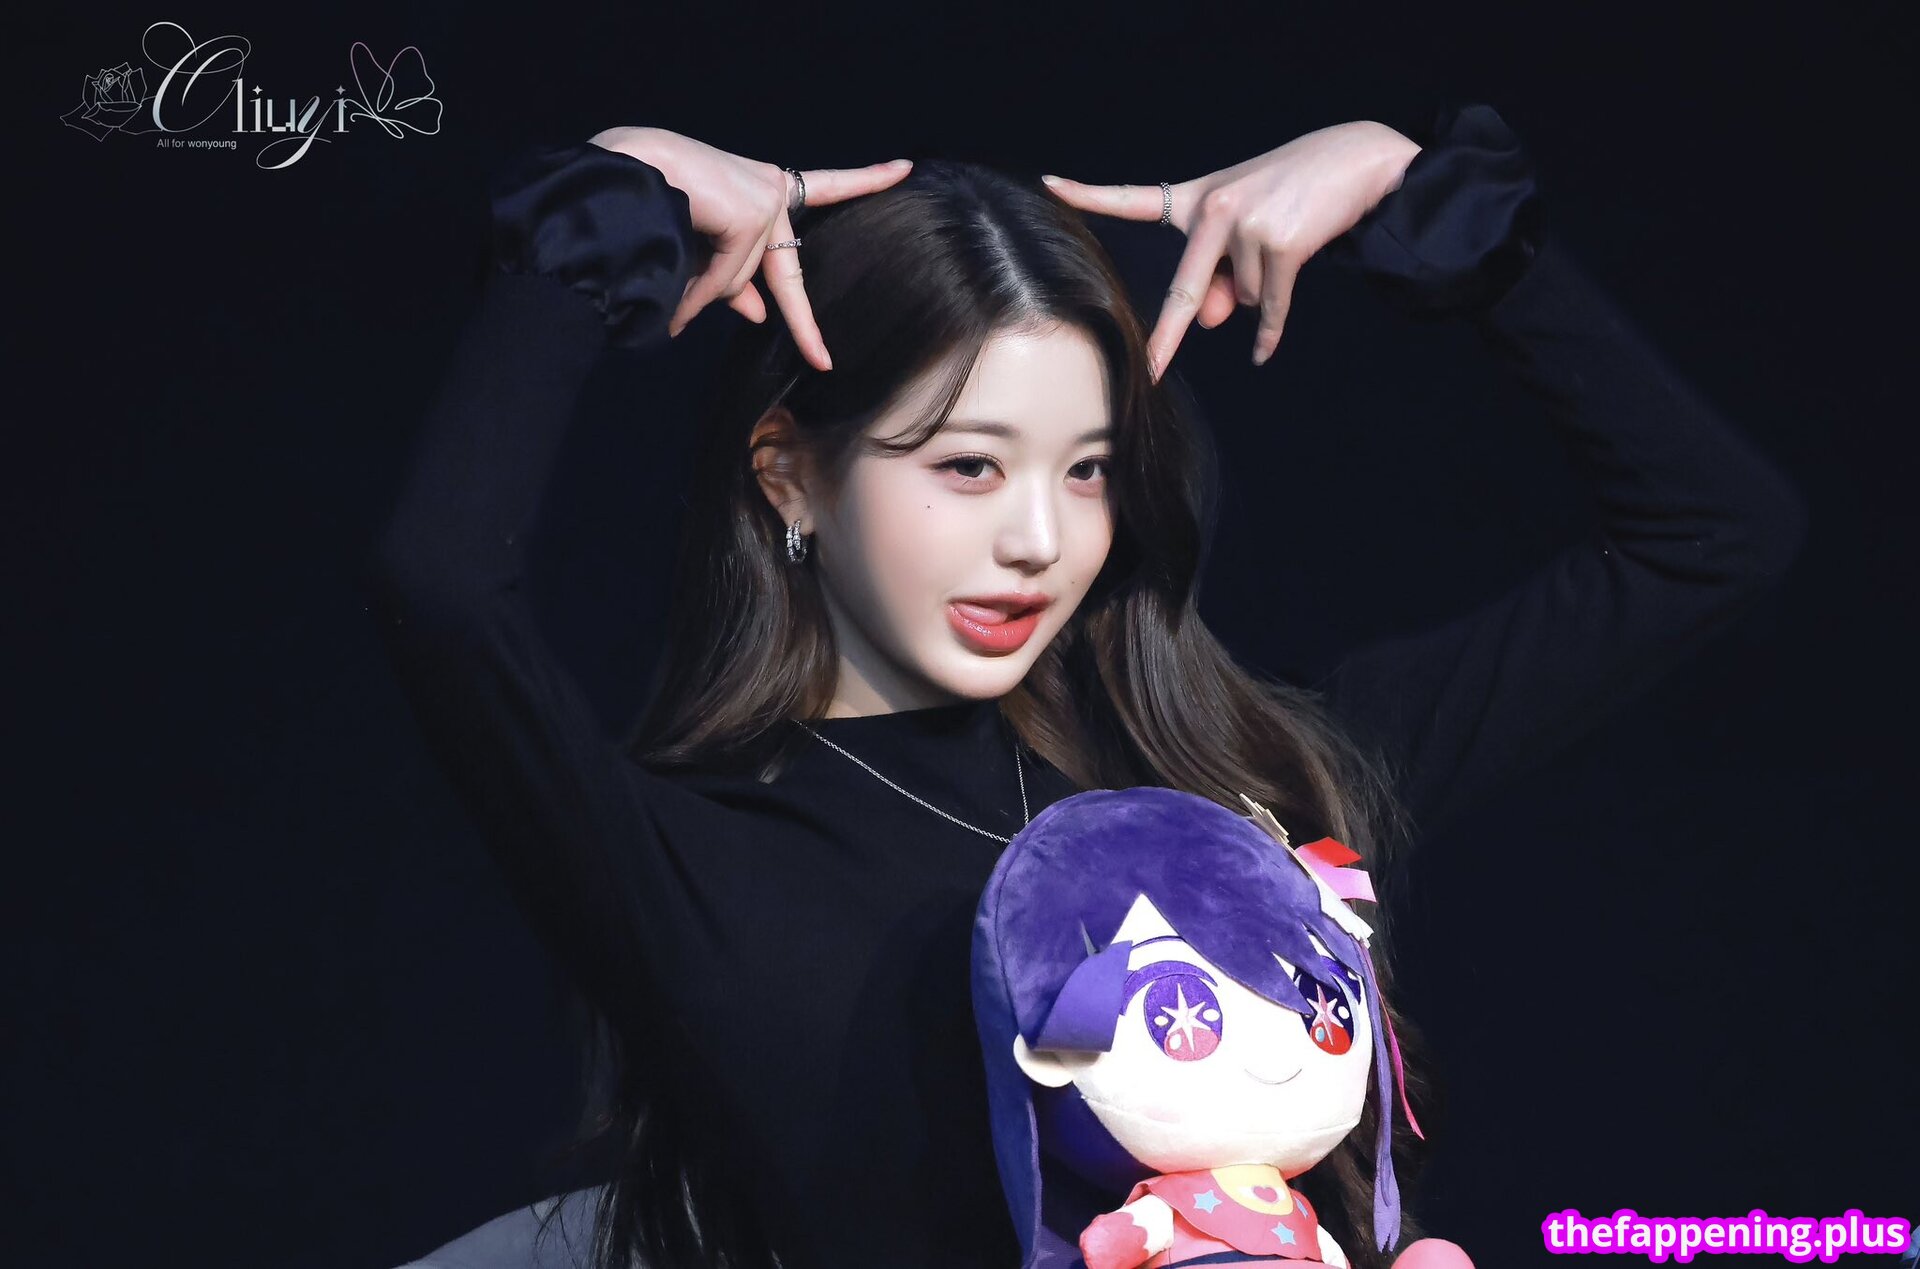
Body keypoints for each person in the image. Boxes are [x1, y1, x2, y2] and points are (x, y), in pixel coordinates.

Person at [370, 102, 1805, 1269]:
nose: (1041, 541)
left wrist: (1424, 202)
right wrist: (611, 198)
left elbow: (1713, 535)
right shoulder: (682, 854)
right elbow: (440, 581)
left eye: (1090, 469)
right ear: (789, 474)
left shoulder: (1234, 783)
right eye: (968, 466)